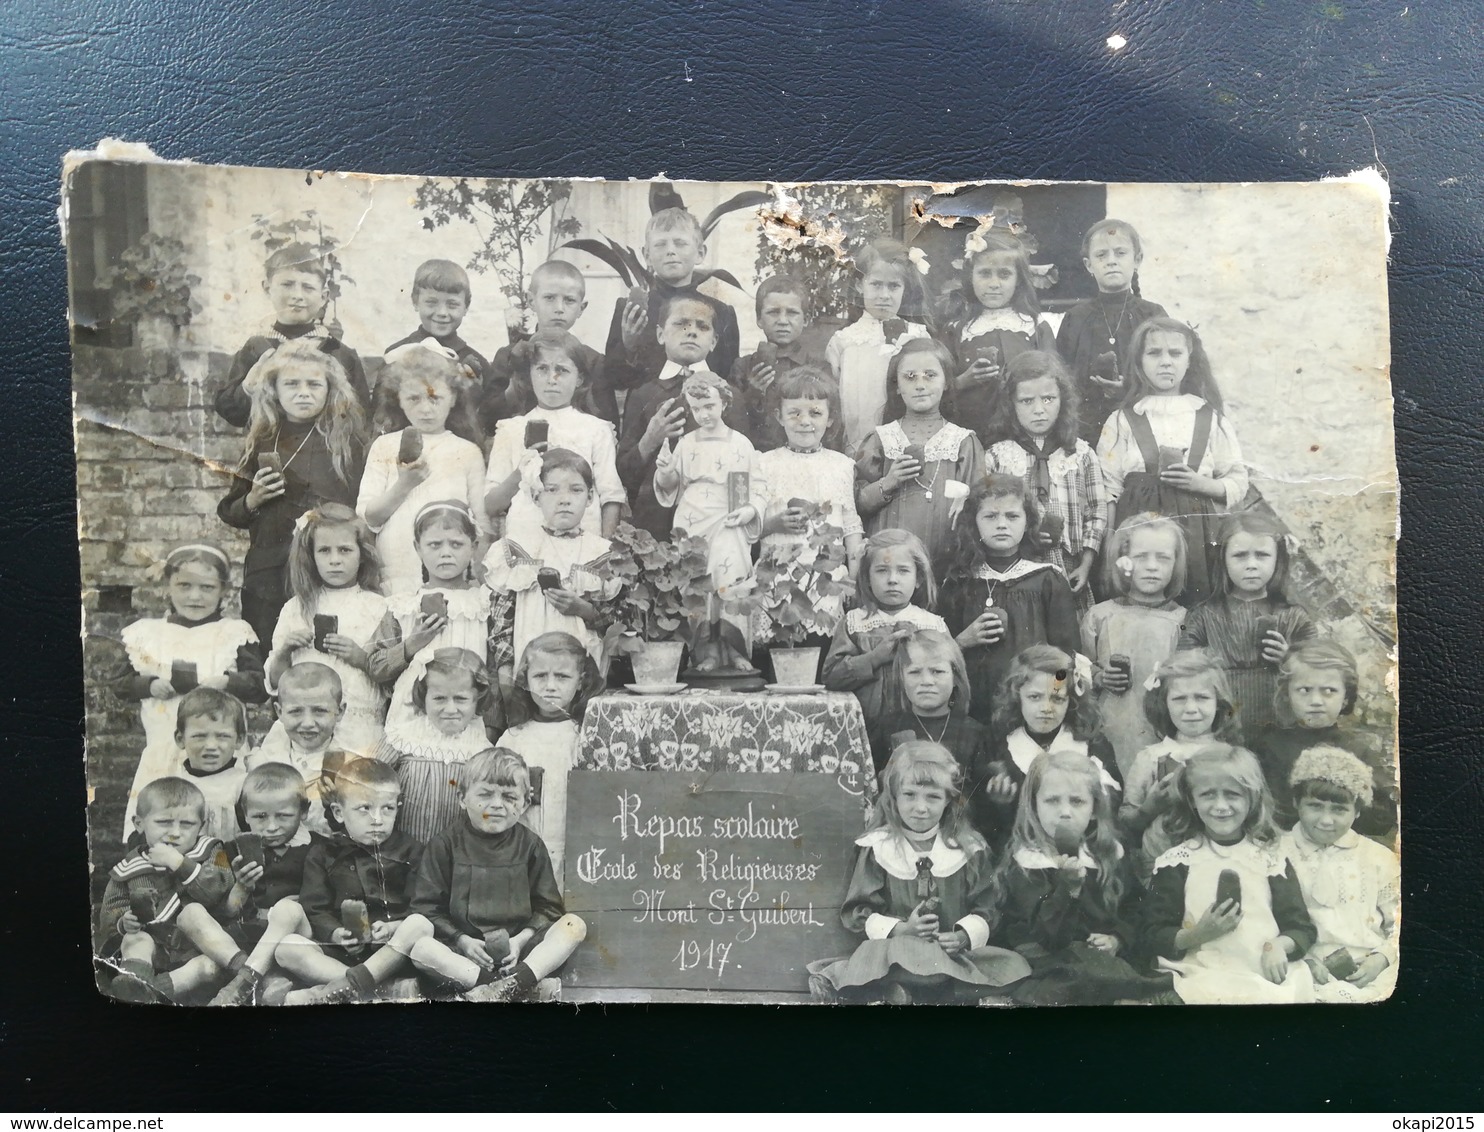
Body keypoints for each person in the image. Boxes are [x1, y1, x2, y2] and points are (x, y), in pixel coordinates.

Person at [807, 741, 1030, 1004]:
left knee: (1015, 966)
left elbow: (987, 906)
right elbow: (860, 910)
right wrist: (902, 929)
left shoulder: (969, 848)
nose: (920, 807)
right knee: (898, 956)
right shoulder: (879, 846)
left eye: (933, 797)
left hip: (954, 953)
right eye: (910, 795)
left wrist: (961, 936)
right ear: (894, 797)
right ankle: (912, 990)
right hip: (899, 948)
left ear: (949, 800)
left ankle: (902, 993)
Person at [217, 338, 368, 648]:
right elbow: (230, 510)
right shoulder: (262, 438)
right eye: (292, 384)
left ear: (330, 390)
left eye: (314, 384)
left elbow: (361, 510)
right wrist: (252, 499)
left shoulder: (346, 444)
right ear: (274, 390)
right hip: (270, 571)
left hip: (325, 570)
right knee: (271, 651)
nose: (303, 392)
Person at [106, 542, 265, 836]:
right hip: (163, 751)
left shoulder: (233, 633)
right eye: (184, 586)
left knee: (220, 824)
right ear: (168, 586)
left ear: (223, 591)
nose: (195, 596)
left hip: (219, 756)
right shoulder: (148, 633)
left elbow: (260, 684)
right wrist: (151, 685)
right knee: (166, 823)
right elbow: (118, 682)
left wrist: (227, 683)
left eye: (207, 588)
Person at [406, 749, 588, 1002]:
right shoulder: (445, 844)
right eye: (485, 794)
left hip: (520, 953)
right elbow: (426, 908)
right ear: (462, 797)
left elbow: (549, 908)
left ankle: (507, 986)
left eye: (510, 797)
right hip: (464, 955)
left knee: (574, 926)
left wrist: (520, 941)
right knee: (421, 949)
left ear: (524, 803)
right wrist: (463, 941)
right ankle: (507, 988)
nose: (497, 804)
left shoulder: (531, 845)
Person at [1139, 744, 1317, 1004]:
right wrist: (1196, 935)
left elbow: (1300, 927)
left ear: (1251, 799)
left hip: (1263, 971)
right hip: (1199, 971)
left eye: (1232, 795)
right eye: (1208, 795)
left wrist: (1279, 945)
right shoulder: (1177, 862)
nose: (1220, 806)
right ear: (1192, 801)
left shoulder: (1271, 859)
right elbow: (1153, 932)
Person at [991, 750, 1170, 1005]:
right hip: (1048, 959)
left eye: (1077, 802)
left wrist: (1117, 938)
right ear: (1033, 805)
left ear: (1095, 809)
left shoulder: (1107, 855)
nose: (1065, 812)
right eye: (1052, 801)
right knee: (1072, 980)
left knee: (1109, 970)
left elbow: (1135, 907)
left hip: (1100, 957)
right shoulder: (1026, 863)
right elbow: (1049, 937)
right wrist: (1068, 888)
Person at [1096, 317, 1246, 606]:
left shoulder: (1208, 416)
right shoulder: (1123, 419)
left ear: (1190, 361)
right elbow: (1109, 489)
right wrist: (1111, 545)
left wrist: (1202, 484)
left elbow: (1237, 480)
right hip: (1138, 529)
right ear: (1139, 362)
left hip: (1198, 532)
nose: (1165, 362)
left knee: (1197, 600)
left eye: (1175, 353)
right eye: (1154, 353)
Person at [271, 758, 434, 1005]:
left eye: (387, 808)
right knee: (286, 947)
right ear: (338, 812)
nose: (377, 819)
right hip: (340, 955)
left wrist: (392, 927)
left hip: (391, 953)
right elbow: (314, 907)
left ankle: (337, 990)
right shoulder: (324, 854)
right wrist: (336, 933)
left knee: (420, 927)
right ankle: (381, 991)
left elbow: (422, 906)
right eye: (365, 809)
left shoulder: (412, 852)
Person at [938, 474, 1080, 724]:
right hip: (972, 710)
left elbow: (1068, 655)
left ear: (1027, 522)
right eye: (990, 516)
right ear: (974, 523)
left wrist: (1054, 697)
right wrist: (963, 640)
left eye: (1012, 516)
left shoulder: (1047, 579)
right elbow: (937, 653)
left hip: (1033, 709)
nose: (1001, 524)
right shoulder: (959, 582)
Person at [358, 339, 490, 595]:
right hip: (398, 570)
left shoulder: (467, 451)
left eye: (435, 398)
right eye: (414, 398)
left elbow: (480, 521)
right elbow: (368, 517)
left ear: (453, 398)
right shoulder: (384, 446)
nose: (425, 409)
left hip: (451, 574)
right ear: (399, 400)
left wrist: (478, 574)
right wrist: (403, 485)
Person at [654, 370, 764, 668]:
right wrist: (665, 470)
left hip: (728, 516)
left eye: (709, 406)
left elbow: (758, 486)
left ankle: (734, 649)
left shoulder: (740, 444)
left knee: (730, 580)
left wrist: (751, 510)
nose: (703, 414)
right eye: (696, 408)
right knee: (698, 585)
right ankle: (707, 653)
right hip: (692, 518)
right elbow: (670, 486)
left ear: (724, 403)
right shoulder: (687, 443)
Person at [95, 777, 235, 1003]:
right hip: (152, 952)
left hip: (196, 947)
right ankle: (136, 982)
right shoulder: (130, 866)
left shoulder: (211, 851)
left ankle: (148, 994)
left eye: (187, 824)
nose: (175, 833)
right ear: (139, 823)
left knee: (206, 968)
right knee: (135, 940)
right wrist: (124, 922)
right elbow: (110, 913)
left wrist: (180, 863)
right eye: (164, 822)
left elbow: (219, 889)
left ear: (202, 824)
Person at [984, 350, 1107, 608]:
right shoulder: (998, 456)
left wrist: (1085, 566)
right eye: (1027, 401)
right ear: (1011, 404)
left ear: (1063, 399)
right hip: (1016, 566)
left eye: (1048, 399)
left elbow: (1096, 514)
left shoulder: (1081, 454)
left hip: (1071, 567)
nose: (1039, 410)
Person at [486, 450, 619, 686]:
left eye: (575, 490)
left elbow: (615, 619)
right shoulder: (517, 549)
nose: (564, 499)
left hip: (585, 672)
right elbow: (501, 623)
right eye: (552, 489)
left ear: (590, 498)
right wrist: (507, 684)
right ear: (536, 497)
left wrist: (584, 609)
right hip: (528, 676)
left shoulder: (602, 553)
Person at [615, 293, 744, 537]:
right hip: (656, 524)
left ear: (714, 341)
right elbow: (624, 471)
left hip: (715, 522)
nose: (691, 331)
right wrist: (650, 440)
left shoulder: (730, 396)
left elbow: (744, 465)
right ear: (660, 334)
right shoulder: (644, 394)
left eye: (702, 326)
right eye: (681, 323)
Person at [854, 337, 983, 580]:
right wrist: (889, 481)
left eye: (930, 375)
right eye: (910, 377)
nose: (920, 384)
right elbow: (858, 504)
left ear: (947, 383)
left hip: (944, 560)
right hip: (889, 565)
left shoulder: (963, 442)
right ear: (896, 386)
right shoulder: (881, 439)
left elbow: (977, 505)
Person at [1178, 511, 1317, 734]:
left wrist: (1289, 659)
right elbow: (1183, 668)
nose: (1251, 564)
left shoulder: (1294, 616)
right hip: (1220, 719)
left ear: (1278, 559)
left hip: (1280, 722)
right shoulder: (1204, 615)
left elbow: (1317, 671)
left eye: (1262, 555)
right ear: (1223, 560)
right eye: (1240, 555)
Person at [1280, 745, 1399, 1003]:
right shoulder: (1276, 853)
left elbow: (1398, 925)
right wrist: (1303, 964)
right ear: (1295, 803)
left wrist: (1382, 958)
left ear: (1357, 811)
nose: (1326, 820)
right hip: (1300, 968)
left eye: (1339, 809)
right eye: (1315, 806)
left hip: (1370, 969)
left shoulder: (1378, 859)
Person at [265, 504, 388, 755]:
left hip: (358, 725)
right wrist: (286, 651)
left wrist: (360, 658)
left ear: (362, 554)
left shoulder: (378, 607)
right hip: (307, 728)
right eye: (324, 551)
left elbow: (389, 675)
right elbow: (275, 681)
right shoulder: (296, 608)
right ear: (312, 555)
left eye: (344, 550)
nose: (335, 560)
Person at [973, 645, 1120, 850]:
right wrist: (999, 804)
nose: (1046, 708)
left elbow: (1113, 806)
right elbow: (985, 821)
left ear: (1072, 701)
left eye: (1058, 698)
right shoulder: (997, 745)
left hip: (1083, 848)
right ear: (1017, 697)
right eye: (1035, 697)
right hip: (1019, 851)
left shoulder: (1091, 744)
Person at [1247, 640, 1396, 841]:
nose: (1316, 701)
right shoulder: (1269, 747)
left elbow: (1382, 818)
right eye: (1304, 690)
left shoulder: (1358, 750)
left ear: (1345, 697)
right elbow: (1263, 812)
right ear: (1287, 695)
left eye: (1329, 691)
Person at [485, 328, 625, 542]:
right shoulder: (511, 430)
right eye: (542, 369)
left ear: (579, 378)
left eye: (562, 370)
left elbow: (611, 496)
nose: (552, 379)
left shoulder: (596, 430)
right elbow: (491, 504)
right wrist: (521, 472)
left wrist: (604, 550)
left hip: (582, 546)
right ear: (529, 375)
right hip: (526, 546)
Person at [213, 243, 368, 428]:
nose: (297, 295)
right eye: (287, 285)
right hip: (267, 451)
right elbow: (233, 414)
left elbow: (361, 417)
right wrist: (249, 386)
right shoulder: (256, 349)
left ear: (324, 296)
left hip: (326, 452)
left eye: (308, 287)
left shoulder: (340, 353)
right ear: (267, 288)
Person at [204, 763, 322, 1006]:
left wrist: (300, 904)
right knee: (193, 916)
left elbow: (324, 906)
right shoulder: (230, 851)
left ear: (303, 811)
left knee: (288, 910)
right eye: (259, 817)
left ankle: (244, 983)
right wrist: (241, 888)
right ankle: (263, 982)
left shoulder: (319, 849)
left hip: (297, 936)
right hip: (248, 938)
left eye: (283, 816)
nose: (271, 826)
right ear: (245, 813)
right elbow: (226, 913)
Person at [1119, 650, 1242, 884]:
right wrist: (1149, 808)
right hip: (1161, 872)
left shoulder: (1231, 756)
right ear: (1163, 704)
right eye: (1179, 699)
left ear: (1218, 703)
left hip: (1220, 867)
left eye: (1202, 697)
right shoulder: (1151, 758)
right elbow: (1126, 823)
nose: (1191, 709)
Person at [369, 500, 492, 730]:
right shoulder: (403, 606)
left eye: (456, 544)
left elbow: (493, 672)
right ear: (418, 547)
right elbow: (375, 666)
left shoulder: (484, 604)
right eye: (435, 545)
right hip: (411, 723)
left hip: (468, 723)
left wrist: (492, 728)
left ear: (473, 547)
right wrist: (410, 645)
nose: (445, 553)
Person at [1080, 513, 1189, 773]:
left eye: (1163, 557)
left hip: (1162, 732)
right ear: (1123, 561)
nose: (1152, 566)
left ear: (1176, 563)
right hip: (1107, 730)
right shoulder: (1099, 615)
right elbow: (1079, 668)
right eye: (1141, 557)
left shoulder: (1183, 619)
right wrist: (1098, 677)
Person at [493, 632, 604, 887]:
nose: (550, 686)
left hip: (575, 848)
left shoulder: (587, 736)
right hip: (524, 852)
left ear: (580, 682)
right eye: (540, 676)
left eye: (562, 676)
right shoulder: (513, 739)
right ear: (526, 680)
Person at [755, 366, 865, 625]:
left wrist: (854, 578)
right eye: (794, 413)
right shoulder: (763, 464)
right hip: (777, 578)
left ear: (829, 419)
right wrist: (772, 524)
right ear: (779, 416)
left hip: (826, 580)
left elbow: (850, 526)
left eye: (815, 413)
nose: (804, 421)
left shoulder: (842, 465)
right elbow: (746, 525)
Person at [603, 206, 741, 403]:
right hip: (648, 415)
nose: (670, 251)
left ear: (700, 253)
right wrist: (628, 346)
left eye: (680, 243)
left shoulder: (721, 312)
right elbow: (614, 380)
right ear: (647, 255)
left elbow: (728, 378)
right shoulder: (631, 310)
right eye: (660, 245)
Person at [822, 529, 947, 731]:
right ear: (867, 578)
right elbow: (831, 678)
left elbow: (950, 680)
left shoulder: (932, 625)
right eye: (882, 570)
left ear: (919, 579)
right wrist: (874, 658)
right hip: (863, 729)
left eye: (903, 570)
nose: (892, 580)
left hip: (920, 729)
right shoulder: (855, 622)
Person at [1055, 220, 1167, 443]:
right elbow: (1061, 376)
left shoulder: (1152, 315)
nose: (1111, 261)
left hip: (1144, 426)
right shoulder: (1075, 318)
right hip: (1087, 430)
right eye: (1101, 255)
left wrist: (1130, 389)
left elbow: (1166, 370)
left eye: (1120, 253)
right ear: (1088, 265)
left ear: (1137, 260)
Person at [942, 230, 1059, 442]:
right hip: (972, 434)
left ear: (1018, 280)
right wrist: (962, 381)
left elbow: (1054, 380)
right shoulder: (957, 329)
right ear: (971, 276)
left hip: (1025, 436)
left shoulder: (1034, 326)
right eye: (985, 273)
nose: (994, 284)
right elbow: (938, 387)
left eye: (1004, 274)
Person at [373, 648, 496, 843]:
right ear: (424, 697)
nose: (450, 709)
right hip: (402, 850)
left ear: (476, 700)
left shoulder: (482, 751)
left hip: (455, 855)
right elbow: (368, 779)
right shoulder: (401, 738)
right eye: (439, 698)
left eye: (461, 699)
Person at [825, 238, 932, 453]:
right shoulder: (844, 341)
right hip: (858, 444)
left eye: (893, 286)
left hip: (908, 444)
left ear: (905, 288)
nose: (884, 295)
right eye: (876, 284)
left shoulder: (918, 336)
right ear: (859, 284)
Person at [480, 260, 611, 427]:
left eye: (569, 300)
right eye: (549, 298)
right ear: (531, 301)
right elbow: (487, 419)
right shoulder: (508, 355)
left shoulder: (592, 361)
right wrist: (517, 380)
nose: (559, 308)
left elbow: (602, 422)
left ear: (581, 308)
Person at [866, 628, 993, 782]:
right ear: (901, 678)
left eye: (937, 671)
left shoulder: (975, 734)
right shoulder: (884, 730)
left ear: (955, 678)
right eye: (914, 672)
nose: (926, 681)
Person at [247, 661, 350, 837]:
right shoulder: (266, 758)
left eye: (319, 711)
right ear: (279, 712)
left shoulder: (347, 764)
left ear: (339, 712)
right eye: (296, 712)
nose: (308, 723)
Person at [729, 274, 830, 449]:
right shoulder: (743, 367)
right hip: (756, 455)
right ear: (759, 320)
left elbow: (827, 419)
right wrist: (753, 393)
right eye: (773, 312)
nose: (782, 321)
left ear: (805, 320)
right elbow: (732, 421)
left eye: (792, 313)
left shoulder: (818, 367)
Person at [384, 258, 490, 397]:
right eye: (431, 303)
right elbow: (381, 411)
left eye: (452, 304)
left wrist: (474, 392)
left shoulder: (476, 363)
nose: (442, 313)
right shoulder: (397, 354)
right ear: (415, 302)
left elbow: (488, 414)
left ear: (466, 306)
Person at [169, 687, 250, 842]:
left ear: (239, 740)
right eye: (199, 736)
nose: (211, 745)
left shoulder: (243, 786)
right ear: (180, 739)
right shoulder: (173, 784)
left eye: (222, 736)